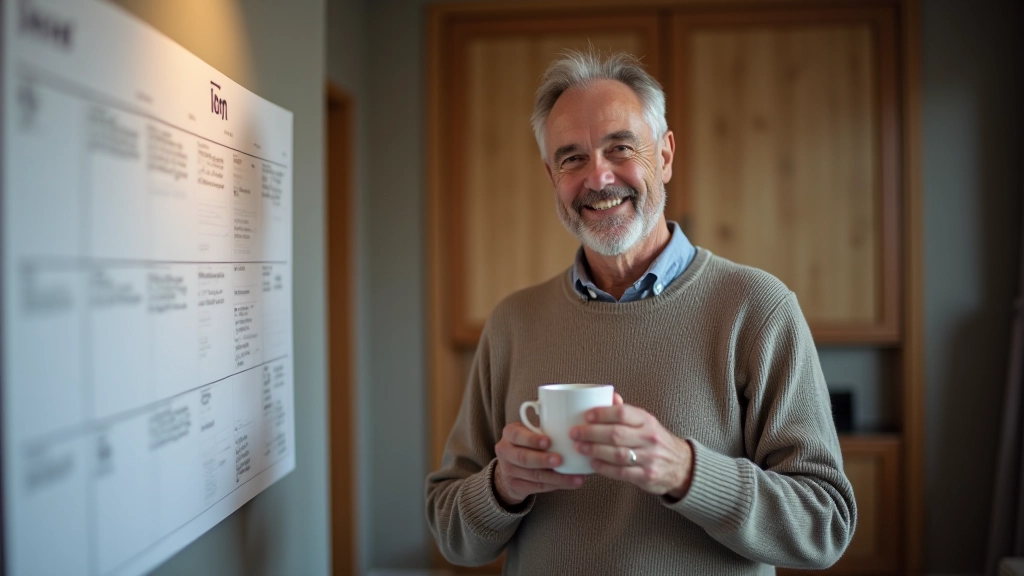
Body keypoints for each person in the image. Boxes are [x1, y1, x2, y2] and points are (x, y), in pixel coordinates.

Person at [425, 49, 856, 575]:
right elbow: (452, 536)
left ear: (666, 155)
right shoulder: (512, 323)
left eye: (620, 148)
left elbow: (825, 526)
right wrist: (501, 487)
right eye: (571, 158)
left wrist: (686, 472)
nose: (598, 178)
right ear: (551, 176)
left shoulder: (758, 310)